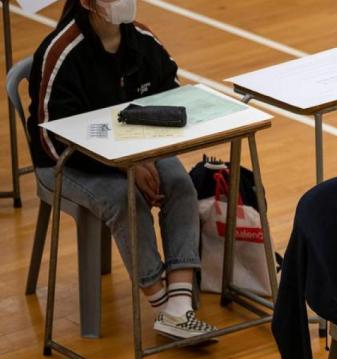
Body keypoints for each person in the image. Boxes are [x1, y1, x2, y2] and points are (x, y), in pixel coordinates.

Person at [28, 0, 216, 340]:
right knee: (123, 198)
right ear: (87, 3)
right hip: (69, 161)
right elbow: (50, 138)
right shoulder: (61, 54)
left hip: (136, 149)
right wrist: (125, 168)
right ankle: (161, 303)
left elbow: (174, 97)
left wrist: (146, 156)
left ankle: (180, 303)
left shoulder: (142, 40)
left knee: (180, 184)